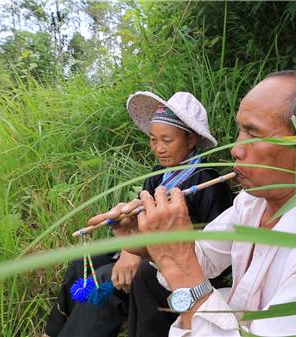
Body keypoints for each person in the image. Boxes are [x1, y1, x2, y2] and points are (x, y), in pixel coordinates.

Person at [89, 70, 296, 336]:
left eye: (254, 134)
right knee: (146, 274)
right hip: (228, 317)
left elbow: (191, 269)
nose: (236, 149)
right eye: (241, 131)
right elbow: (203, 256)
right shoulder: (251, 202)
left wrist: (179, 264)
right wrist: (147, 243)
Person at [44, 92, 234, 337]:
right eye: (153, 140)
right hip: (148, 249)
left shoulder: (209, 182)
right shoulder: (158, 175)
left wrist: (141, 255)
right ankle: (53, 332)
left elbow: (214, 251)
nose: (158, 149)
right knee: (83, 260)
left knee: (106, 279)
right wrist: (128, 250)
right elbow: (140, 219)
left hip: (184, 263)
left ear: (191, 140)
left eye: (167, 140)